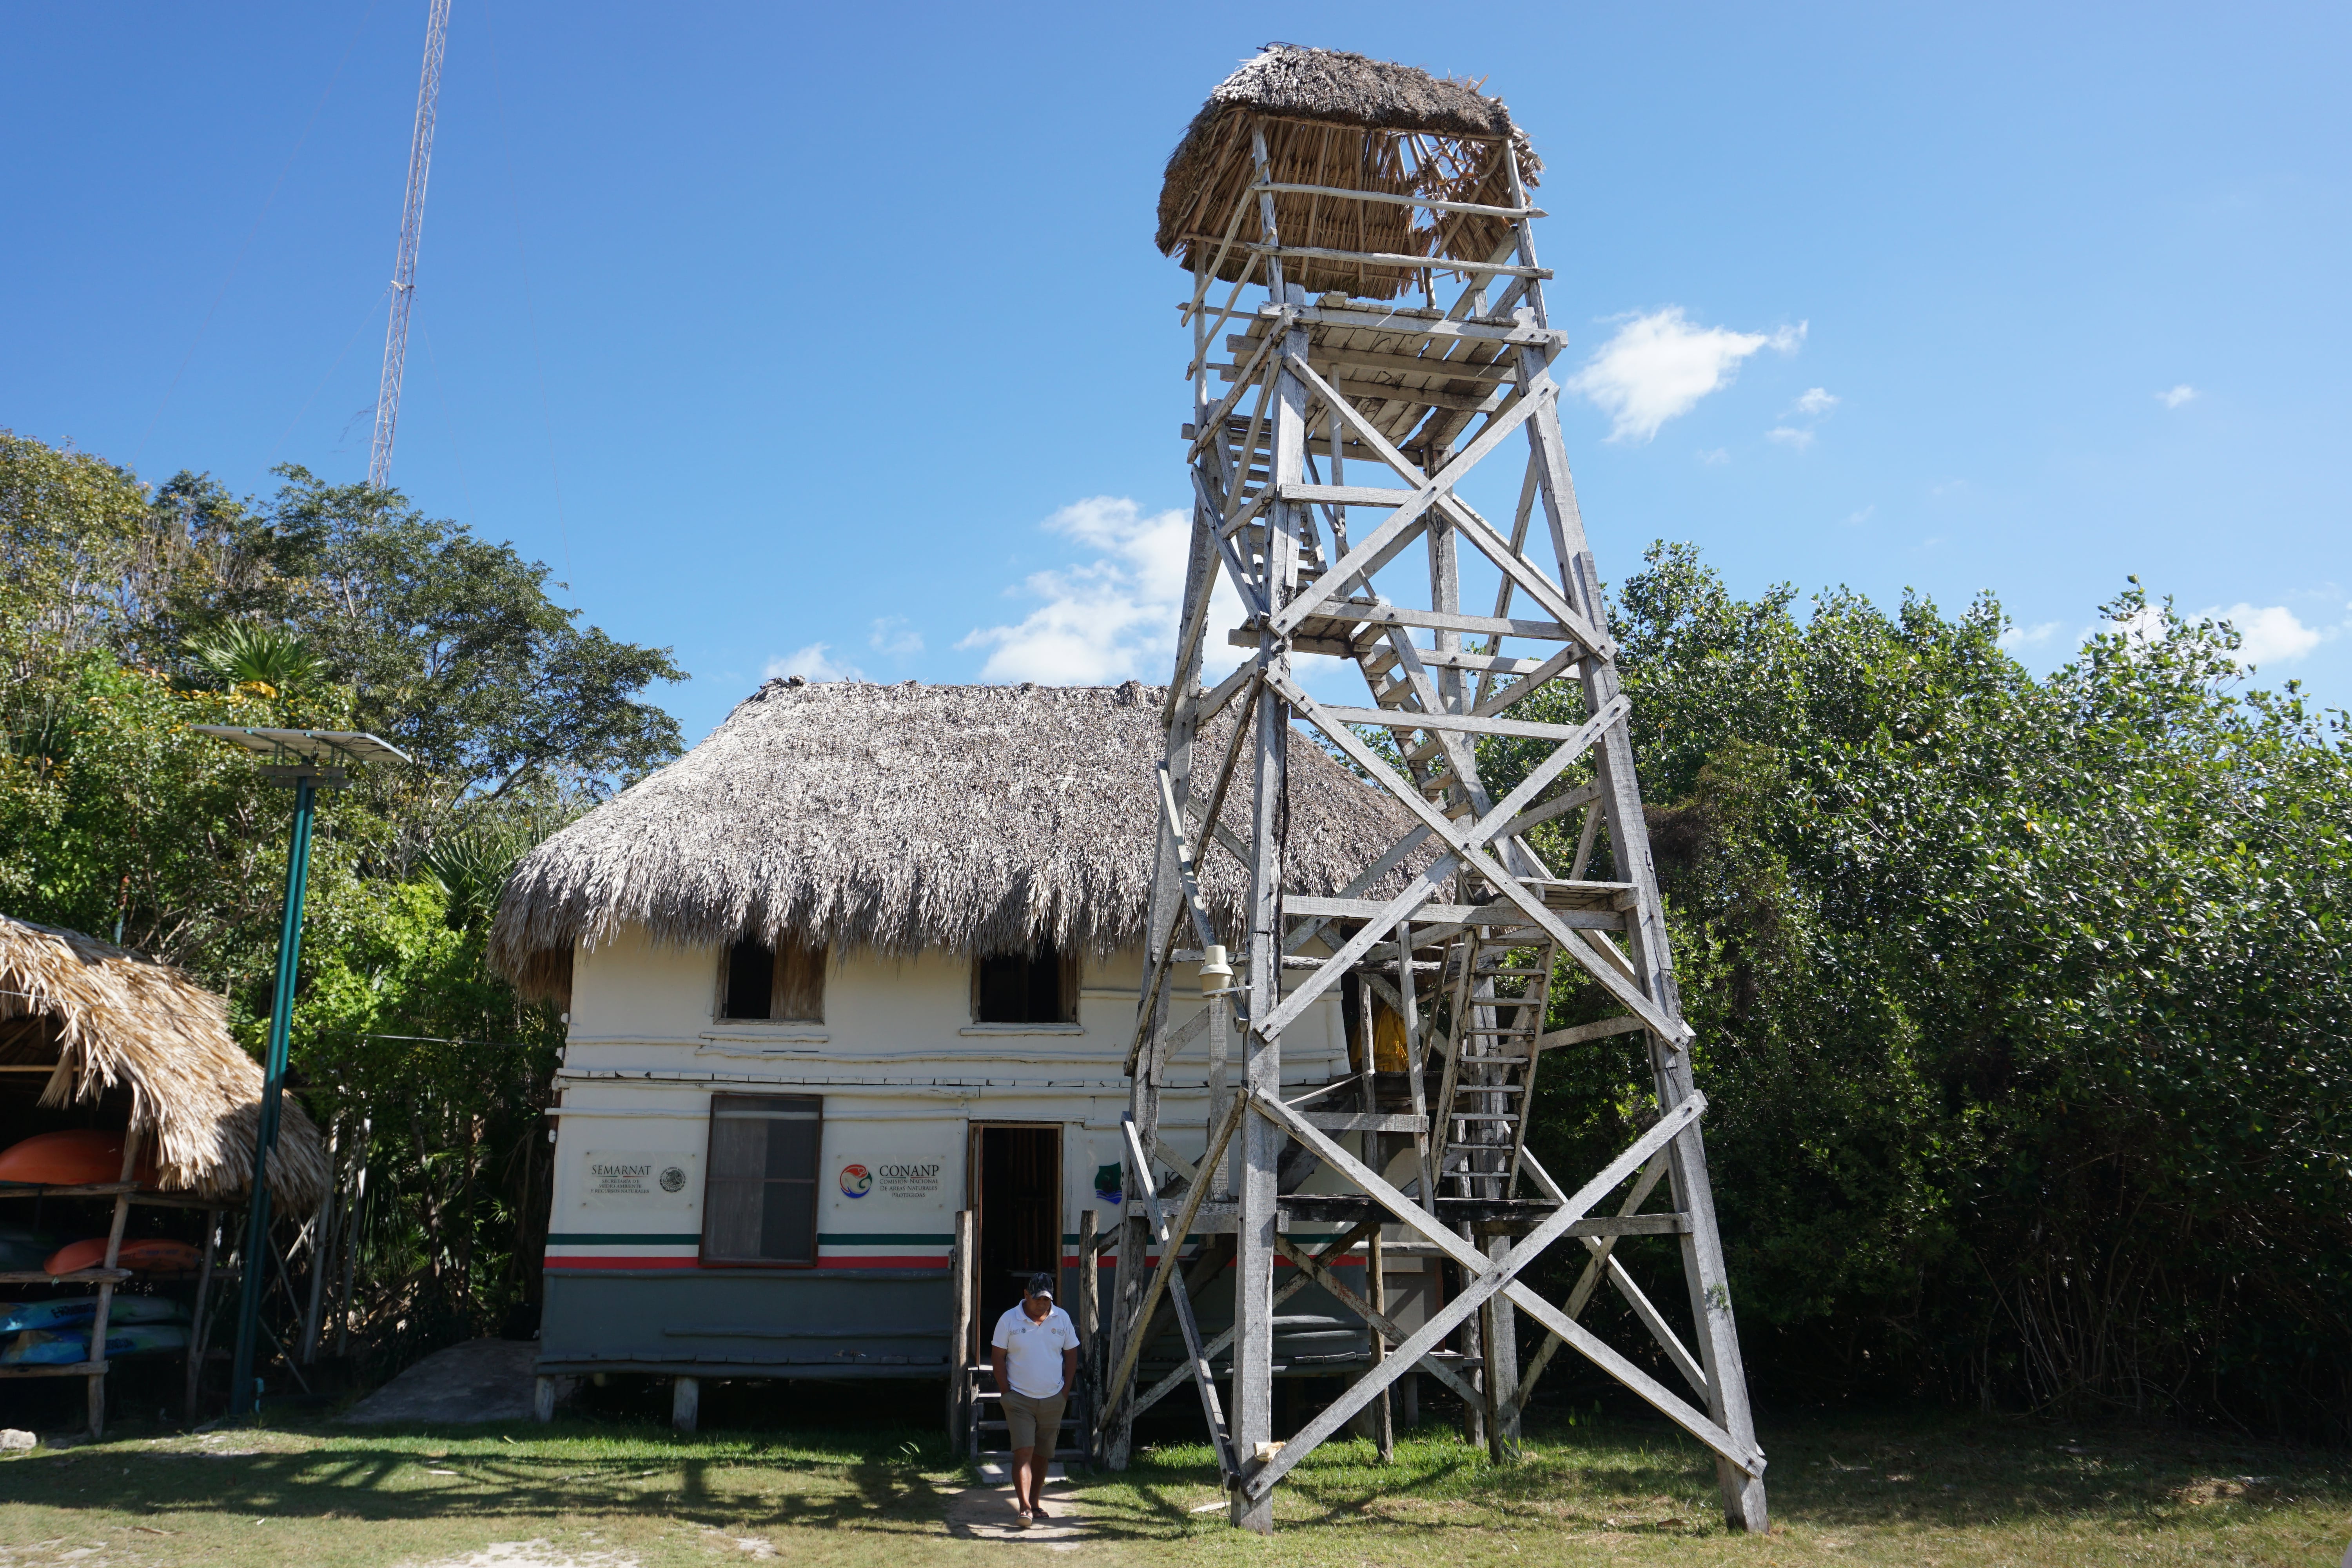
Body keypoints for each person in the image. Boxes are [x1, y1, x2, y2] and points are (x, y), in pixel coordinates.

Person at [989, 1270, 1080, 1526]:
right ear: (1026, 1295)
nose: (1043, 1304)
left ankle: (1036, 1502)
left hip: (1053, 1398)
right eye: (1038, 1299)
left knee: (1042, 1454)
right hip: (1019, 1399)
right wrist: (1006, 1392)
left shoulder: (1062, 1318)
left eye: (1047, 1300)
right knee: (1024, 1452)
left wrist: (1065, 1392)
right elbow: (998, 1356)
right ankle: (1025, 1507)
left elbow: (1072, 1354)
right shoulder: (1009, 1320)